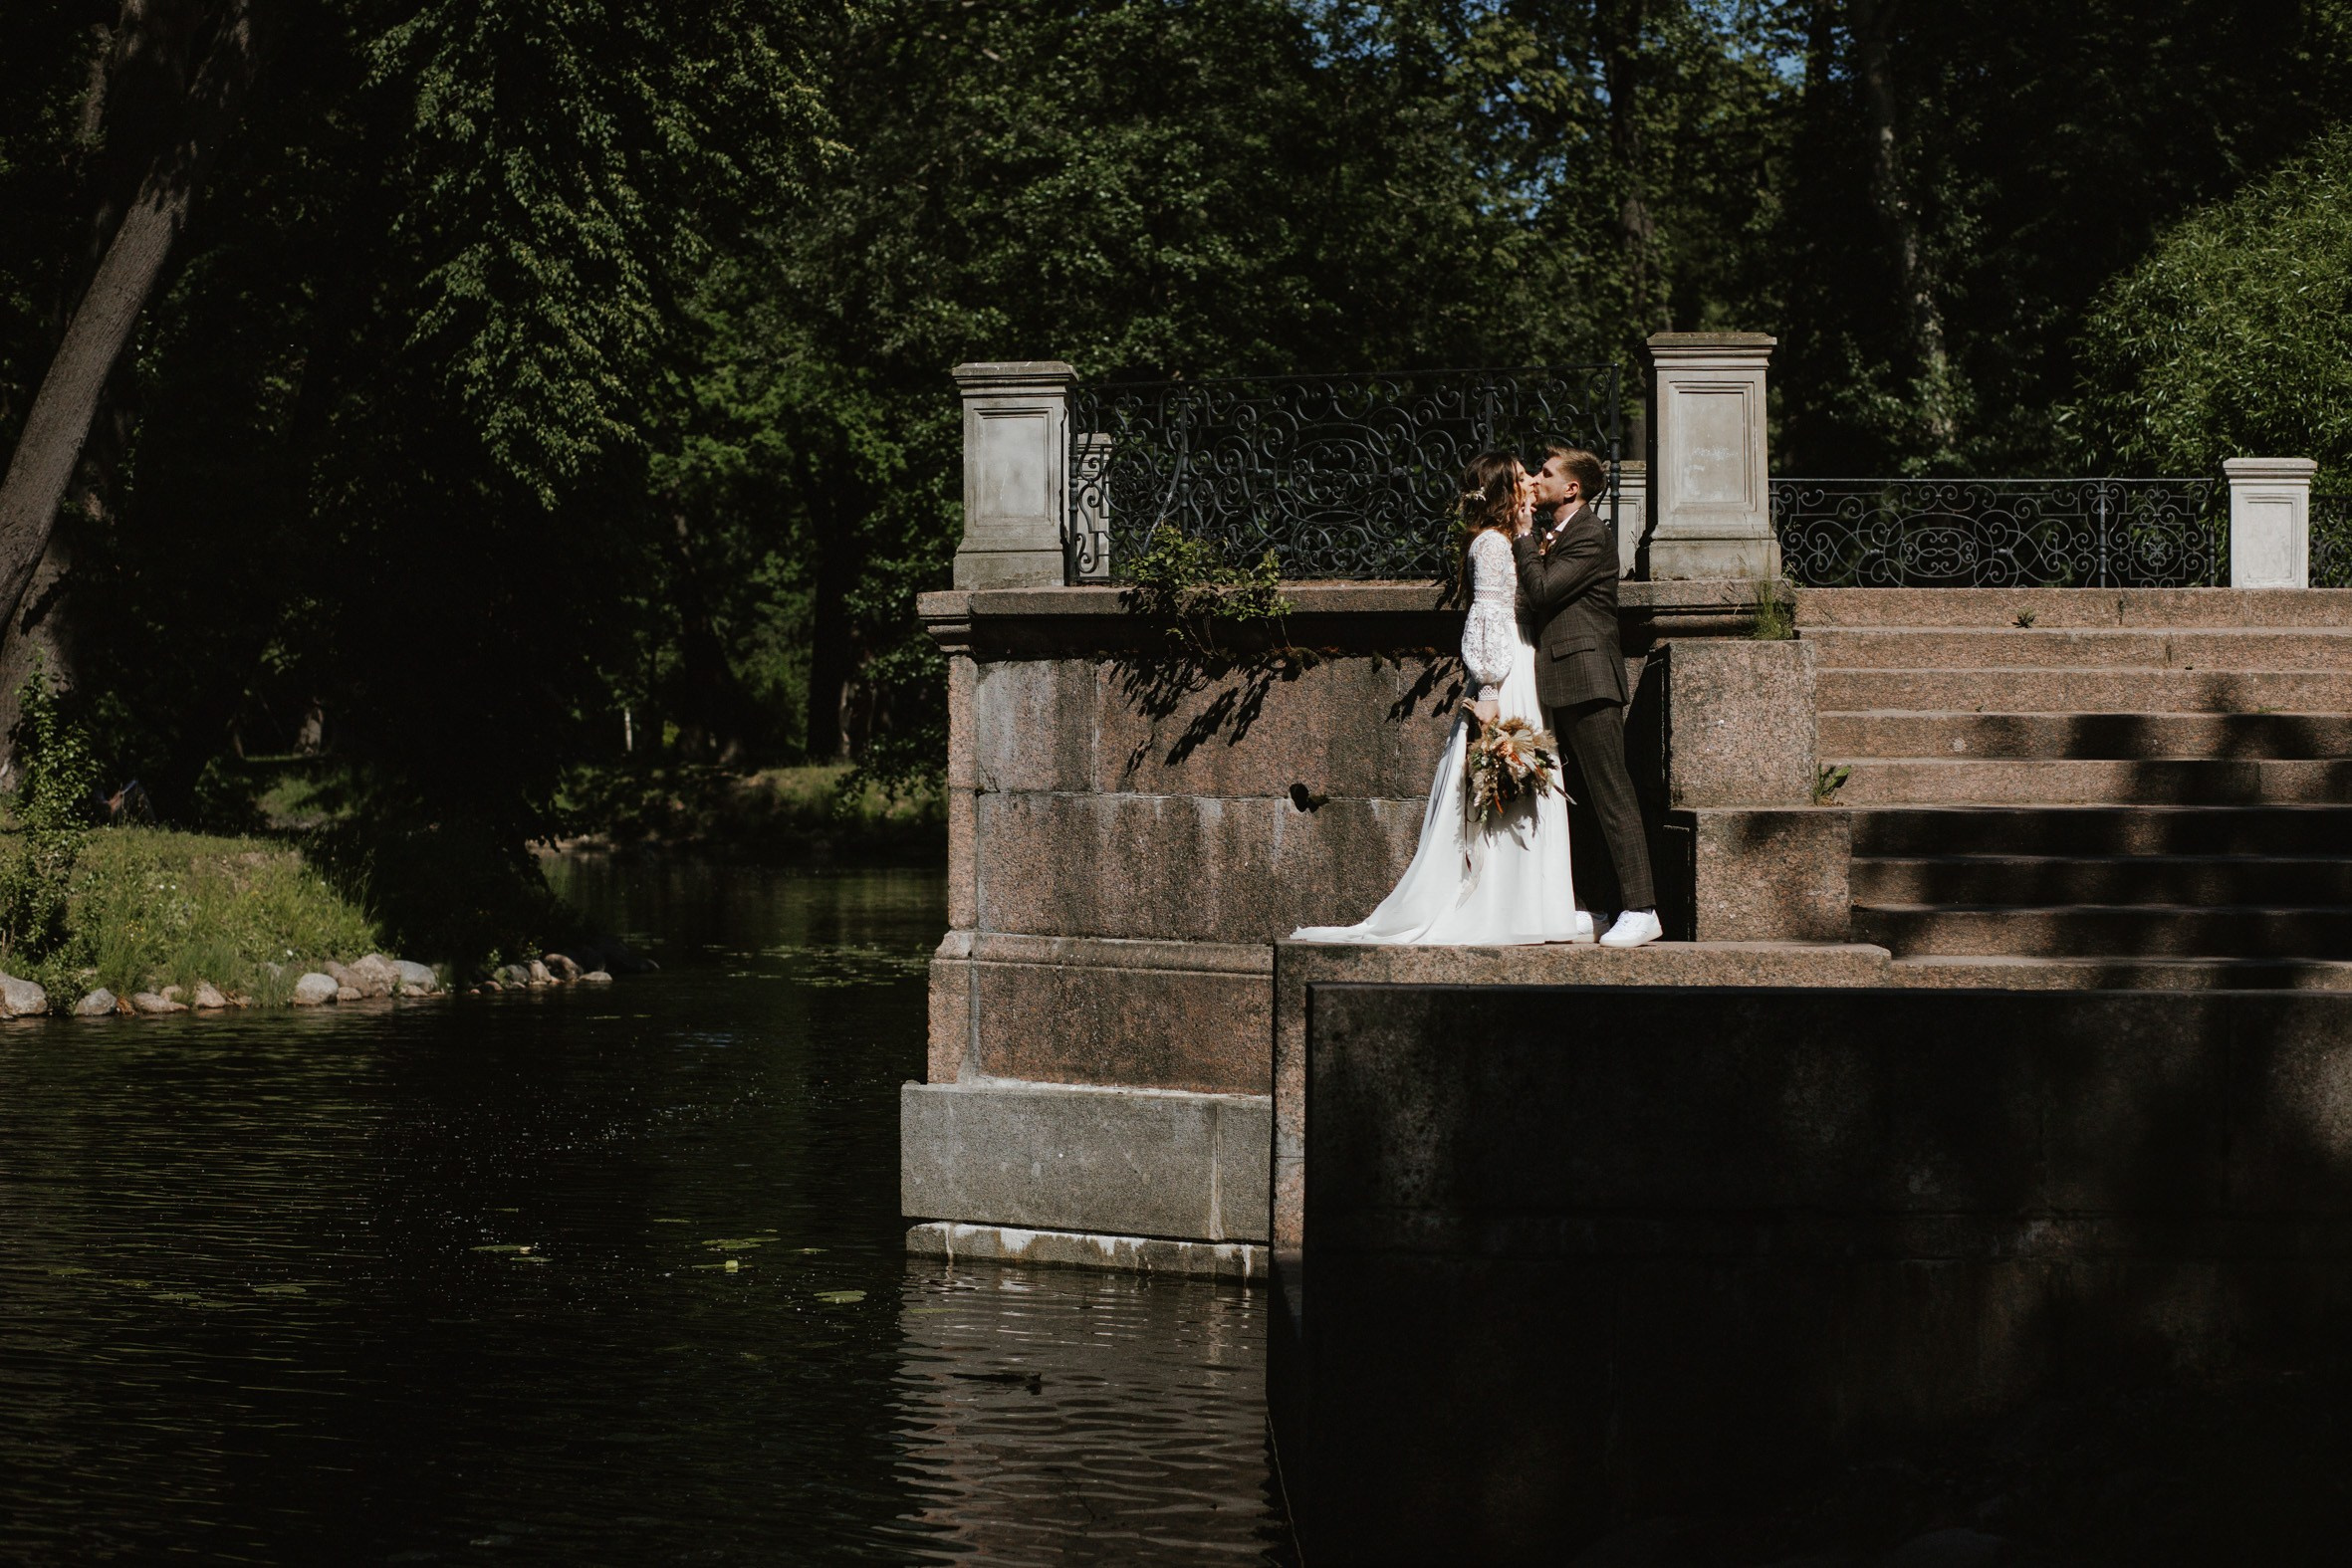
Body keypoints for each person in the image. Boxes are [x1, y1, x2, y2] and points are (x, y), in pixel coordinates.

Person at [1291, 451, 1591, 946]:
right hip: (1507, 669)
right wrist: (1490, 688)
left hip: (1522, 660)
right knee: (1507, 777)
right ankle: (1504, 906)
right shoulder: (1492, 545)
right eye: (1520, 479)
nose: (1532, 484)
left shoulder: (1509, 539)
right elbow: (1487, 617)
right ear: (1502, 492)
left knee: (1523, 779)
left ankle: (1533, 905)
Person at [1516, 445, 1661, 948]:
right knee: (1580, 803)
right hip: (1561, 677)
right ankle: (1596, 907)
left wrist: (1519, 535)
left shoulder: (1590, 535)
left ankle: (1642, 910)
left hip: (1588, 677)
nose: (1537, 479)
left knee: (1612, 795)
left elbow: (1542, 592)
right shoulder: (1558, 532)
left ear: (1571, 488)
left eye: (1547, 473)